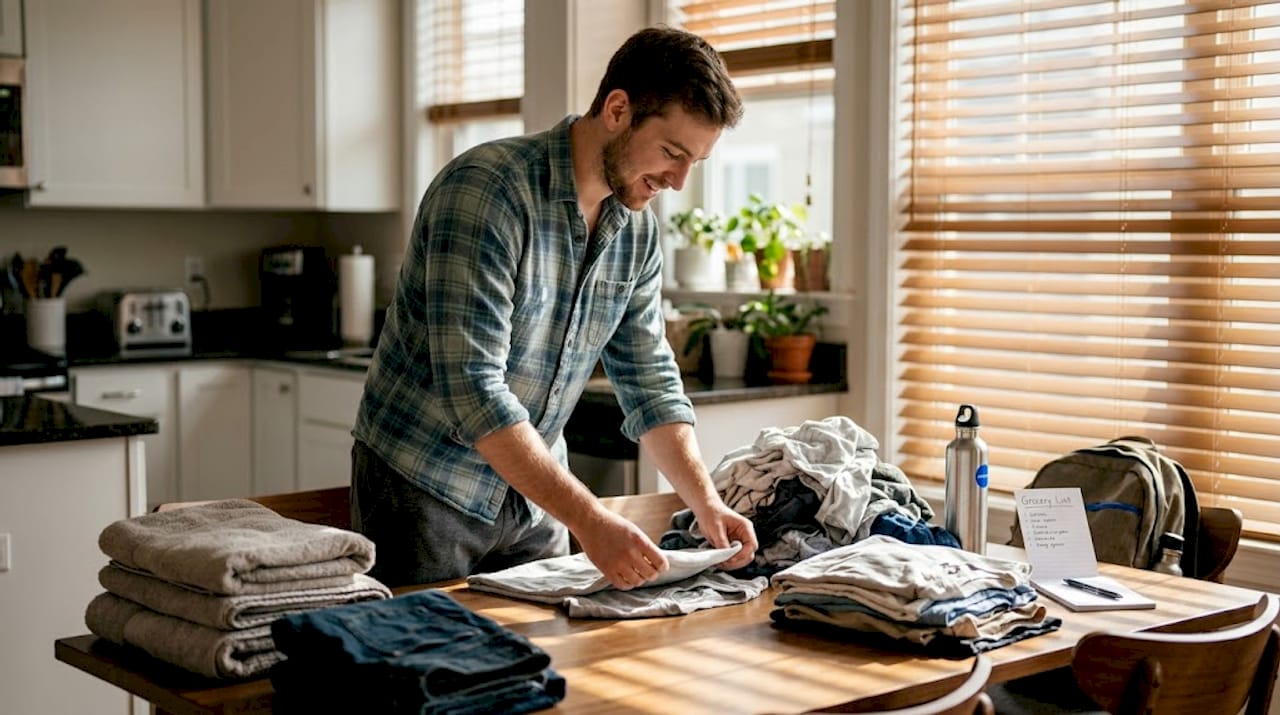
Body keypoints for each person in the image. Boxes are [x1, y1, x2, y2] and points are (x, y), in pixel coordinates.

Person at [351, 26, 758, 590]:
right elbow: (473, 388)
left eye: (696, 162)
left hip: (535, 500)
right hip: (426, 489)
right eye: (671, 152)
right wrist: (591, 519)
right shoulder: (486, 190)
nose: (679, 180)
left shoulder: (635, 232)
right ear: (618, 109)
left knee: (545, 667)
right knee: (426, 671)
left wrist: (708, 504)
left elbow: (650, 380)